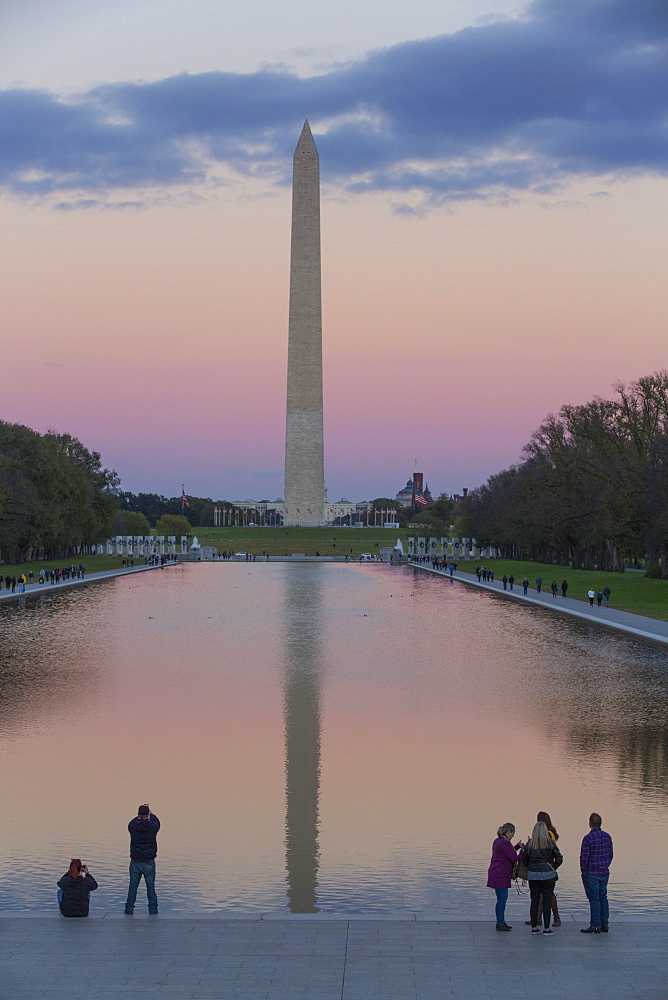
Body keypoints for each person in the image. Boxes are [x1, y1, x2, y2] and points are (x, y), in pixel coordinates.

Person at [522, 821, 563, 934]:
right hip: (548, 875)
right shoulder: (550, 843)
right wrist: (553, 867)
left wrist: (531, 867)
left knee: (534, 900)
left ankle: (534, 927)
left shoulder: (530, 844)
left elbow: (525, 860)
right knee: (547, 900)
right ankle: (546, 928)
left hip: (533, 875)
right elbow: (559, 858)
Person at [487, 823, 525, 931]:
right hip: (501, 874)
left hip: (496, 873)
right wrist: (522, 852)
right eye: (513, 833)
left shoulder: (498, 841)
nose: (513, 836)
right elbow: (513, 858)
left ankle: (501, 922)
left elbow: (508, 852)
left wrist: (517, 847)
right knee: (502, 899)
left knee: (501, 899)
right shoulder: (505, 843)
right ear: (508, 833)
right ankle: (500, 923)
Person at [580, 812, 613, 933]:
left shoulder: (588, 838)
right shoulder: (607, 836)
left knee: (594, 899)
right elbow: (610, 854)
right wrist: (605, 865)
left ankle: (595, 925)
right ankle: (605, 924)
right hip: (604, 872)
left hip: (592, 873)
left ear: (590, 823)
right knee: (603, 898)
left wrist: (584, 871)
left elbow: (584, 858)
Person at [125, 804, 160, 915]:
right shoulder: (153, 827)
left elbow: (134, 821)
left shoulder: (132, 826)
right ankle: (153, 910)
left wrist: (141, 817)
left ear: (138, 815)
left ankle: (129, 909)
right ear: (148, 815)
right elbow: (157, 821)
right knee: (150, 886)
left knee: (133, 886)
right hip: (148, 861)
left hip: (135, 860)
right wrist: (151, 813)